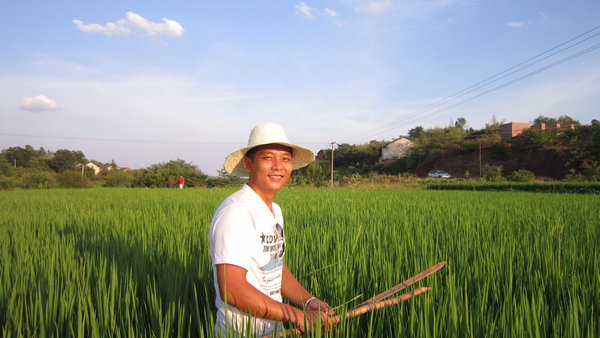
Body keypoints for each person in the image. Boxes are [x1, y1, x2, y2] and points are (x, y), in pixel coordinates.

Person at [209, 122, 335, 337]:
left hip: (272, 329)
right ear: (249, 164)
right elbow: (232, 289)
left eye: (285, 159)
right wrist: (296, 317)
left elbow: (276, 268)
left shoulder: (274, 210)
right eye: (268, 158)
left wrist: (309, 302)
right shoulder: (236, 211)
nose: (278, 166)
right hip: (241, 332)